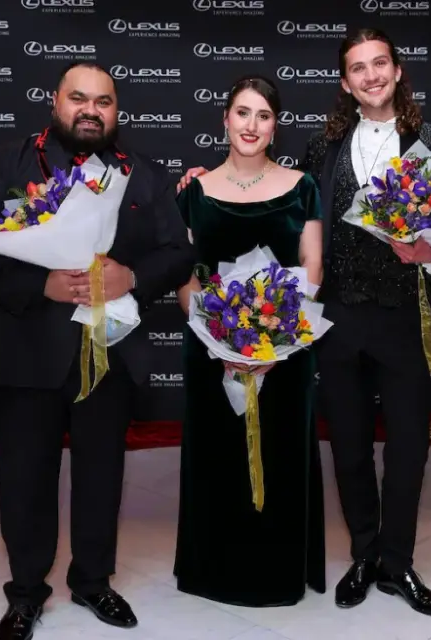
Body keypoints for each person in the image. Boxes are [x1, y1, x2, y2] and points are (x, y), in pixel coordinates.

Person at [178, 29, 431, 618]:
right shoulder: (322, 149)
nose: (370, 76)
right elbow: (272, 195)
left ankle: (399, 563)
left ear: (397, 72)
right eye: (357, 68)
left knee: (411, 448)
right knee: (346, 447)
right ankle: (365, 554)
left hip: (402, 319)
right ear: (345, 83)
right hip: (336, 319)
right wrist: (197, 181)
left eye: (379, 64)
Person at [0, 62, 195, 640]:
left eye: (103, 101)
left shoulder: (143, 175)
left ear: (116, 111)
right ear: (56, 104)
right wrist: (40, 285)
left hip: (105, 355)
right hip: (27, 352)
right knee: (25, 478)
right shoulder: (11, 163)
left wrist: (130, 277)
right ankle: (26, 593)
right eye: (78, 98)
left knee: (101, 475)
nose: (91, 110)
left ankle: (92, 582)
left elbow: (177, 254)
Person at [172, 75, 327, 608]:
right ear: (225, 119)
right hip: (208, 349)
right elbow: (185, 277)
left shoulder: (302, 185)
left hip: (285, 350)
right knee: (217, 459)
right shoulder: (193, 190)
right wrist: (219, 341)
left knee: (282, 457)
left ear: (274, 124)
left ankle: (278, 572)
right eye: (242, 113)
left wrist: (271, 342)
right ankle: (213, 569)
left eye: (263, 115)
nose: (251, 125)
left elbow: (312, 268)